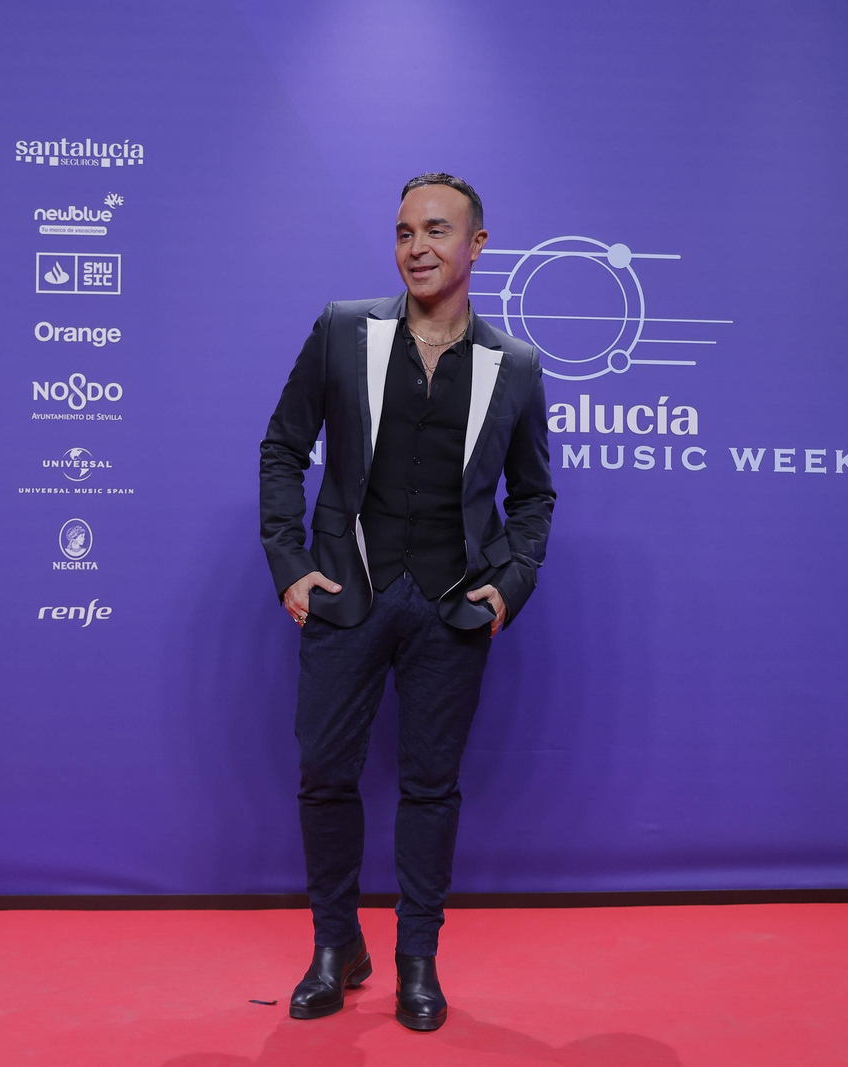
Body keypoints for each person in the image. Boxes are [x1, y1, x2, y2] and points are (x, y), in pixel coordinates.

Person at [258, 173, 555, 1031]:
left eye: (434, 230)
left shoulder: (517, 366)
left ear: (477, 245)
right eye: (402, 232)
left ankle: (416, 959)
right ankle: (333, 944)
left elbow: (534, 497)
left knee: (432, 786)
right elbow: (283, 446)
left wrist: (511, 583)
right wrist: (289, 563)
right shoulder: (344, 330)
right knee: (325, 776)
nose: (416, 246)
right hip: (346, 593)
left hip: (453, 604)